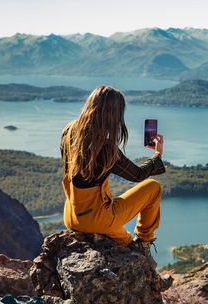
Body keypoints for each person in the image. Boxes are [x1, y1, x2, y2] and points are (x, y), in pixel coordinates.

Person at [60, 86, 166, 275]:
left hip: (72, 216)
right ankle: (144, 242)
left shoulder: (69, 131)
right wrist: (157, 154)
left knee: (126, 242)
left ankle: (152, 276)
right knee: (153, 188)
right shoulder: (106, 147)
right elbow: (138, 175)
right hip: (99, 219)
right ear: (114, 115)